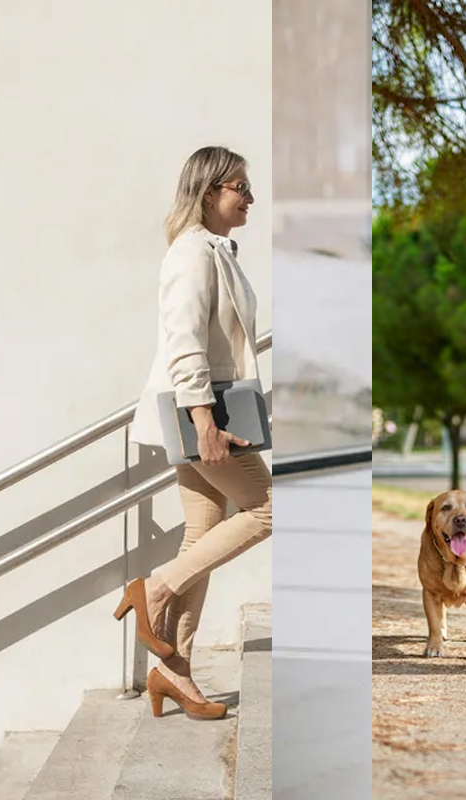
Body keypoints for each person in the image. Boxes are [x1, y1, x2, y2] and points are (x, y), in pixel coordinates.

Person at [116, 145, 272, 720]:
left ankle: (173, 672)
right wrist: (205, 420)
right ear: (209, 193)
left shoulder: (216, 250)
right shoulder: (191, 253)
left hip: (207, 411)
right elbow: (183, 341)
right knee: (270, 507)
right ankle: (153, 590)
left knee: (202, 533)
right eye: (240, 188)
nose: (250, 198)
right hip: (200, 413)